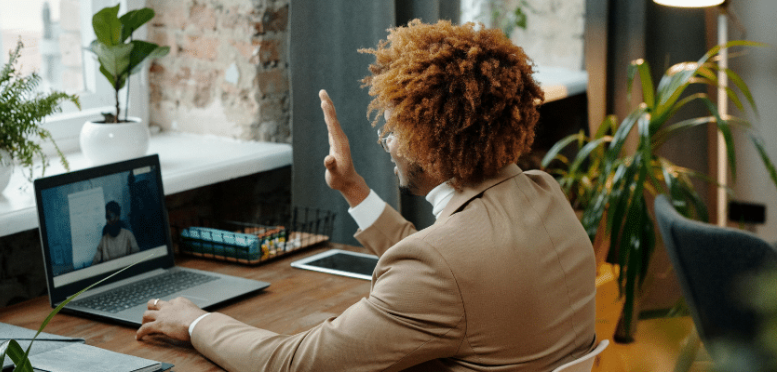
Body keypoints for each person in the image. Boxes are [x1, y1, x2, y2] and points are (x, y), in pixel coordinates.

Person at [136, 20, 596, 371]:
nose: (385, 142)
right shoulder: (542, 192)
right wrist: (354, 189)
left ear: (432, 148)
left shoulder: (441, 269)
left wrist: (195, 322)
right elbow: (454, 270)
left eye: (395, 127)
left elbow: (291, 363)